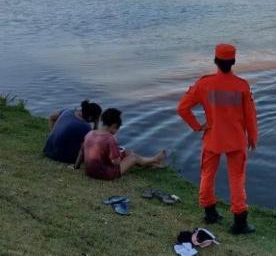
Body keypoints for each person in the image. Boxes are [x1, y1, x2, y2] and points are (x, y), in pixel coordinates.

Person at [177, 43, 258, 235]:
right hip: (236, 140)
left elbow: (182, 108)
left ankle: (210, 213)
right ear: (233, 62)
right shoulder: (242, 86)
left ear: (215, 61)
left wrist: (198, 126)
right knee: (237, 179)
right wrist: (253, 137)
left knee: (207, 175)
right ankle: (239, 222)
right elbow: (250, 115)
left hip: (213, 138)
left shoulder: (204, 84)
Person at [78, 108, 166, 180]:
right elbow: (116, 162)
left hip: (89, 171)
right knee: (133, 157)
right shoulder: (110, 138)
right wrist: (120, 155)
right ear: (114, 126)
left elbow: (82, 152)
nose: (117, 131)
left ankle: (150, 163)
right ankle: (154, 159)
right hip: (105, 174)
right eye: (118, 128)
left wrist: (76, 166)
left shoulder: (90, 133)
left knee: (127, 153)